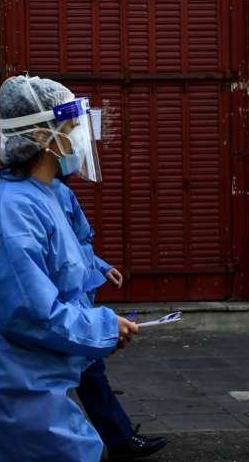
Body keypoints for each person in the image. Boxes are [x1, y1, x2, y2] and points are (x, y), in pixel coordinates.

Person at [0, 75, 139, 462]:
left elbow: (67, 276)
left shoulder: (47, 197)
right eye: (71, 128)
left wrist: (97, 331)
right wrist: (102, 327)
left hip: (31, 378)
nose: (80, 138)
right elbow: (28, 312)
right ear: (41, 137)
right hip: (10, 383)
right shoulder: (10, 209)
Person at [55, 182, 167, 461]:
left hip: (73, 302)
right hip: (67, 304)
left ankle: (120, 438)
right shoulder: (45, 194)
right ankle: (119, 439)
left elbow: (77, 247)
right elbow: (63, 251)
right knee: (84, 371)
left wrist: (102, 267)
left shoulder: (55, 191)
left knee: (88, 371)